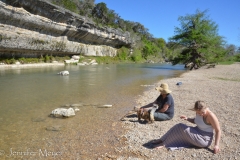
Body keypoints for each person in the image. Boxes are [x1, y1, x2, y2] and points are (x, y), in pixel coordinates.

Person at [151, 100, 221, 154]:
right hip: (197, 131)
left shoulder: (211, 116)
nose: (201, 114)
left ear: (206, 108)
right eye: (199, 113)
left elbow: (218, 130)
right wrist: (187, 118)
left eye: (203, 112)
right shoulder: (198, 112)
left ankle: (164, 144)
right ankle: (162, 139)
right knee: (178, 126)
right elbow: (196, 121)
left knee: (181, 127)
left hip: (204, 139)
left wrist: (216, 145)